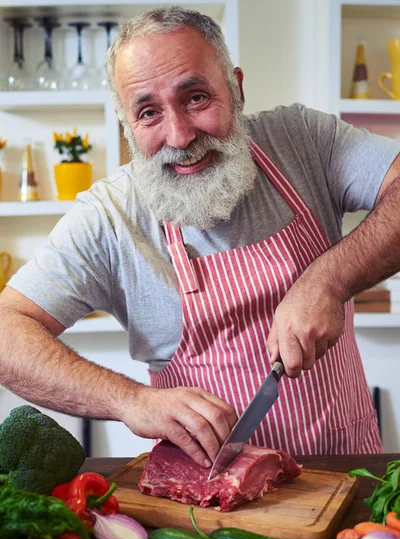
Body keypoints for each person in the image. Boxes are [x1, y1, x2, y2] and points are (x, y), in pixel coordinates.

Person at [0, 7, 399, 464]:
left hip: (346, 478)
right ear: (126, 124)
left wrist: (328, 280)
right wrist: (129, 401)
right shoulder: (109, 217)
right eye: (148, 112)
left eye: (195, 99)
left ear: (237, 89)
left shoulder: (302, 140)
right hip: (205, 508)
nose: (180, 135)